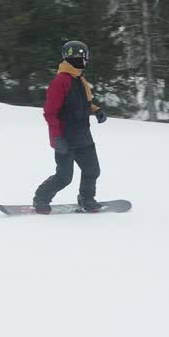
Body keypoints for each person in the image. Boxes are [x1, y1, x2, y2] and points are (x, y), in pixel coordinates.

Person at [32, 40, 107, 214]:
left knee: (92, 170)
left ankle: (86, 199)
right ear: (76, 58)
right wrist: (57, 138)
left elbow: (83, 103)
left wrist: (97, 111)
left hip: (83, 137)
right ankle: (41, 199)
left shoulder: (79, 79)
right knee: (64, 177)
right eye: (85, 56)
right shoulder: (60, 82)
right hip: (65, 138)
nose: (87, 60)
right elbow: (50, 113)